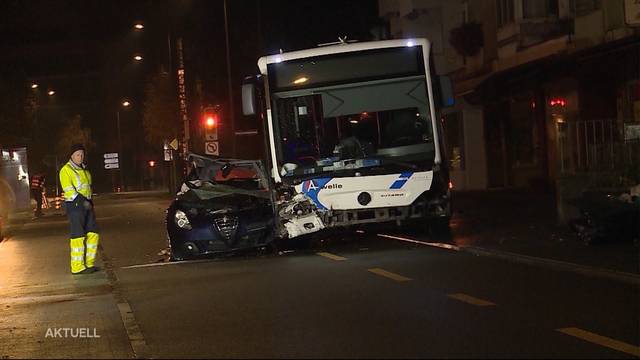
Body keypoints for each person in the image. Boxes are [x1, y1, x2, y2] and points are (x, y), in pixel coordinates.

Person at [59, 144, 100, 275]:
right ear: (71, 156)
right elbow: (69, 190)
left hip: (88, 205)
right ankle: (77, 267)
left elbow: (88, 187)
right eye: (77, 154)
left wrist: (89, 203)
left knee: (93, 233)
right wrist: (83, 202)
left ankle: (89, 264)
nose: (80, 157)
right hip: (75, 207)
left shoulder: (84, 170)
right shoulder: (66, 170)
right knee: (78, 235)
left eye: (82, 154)